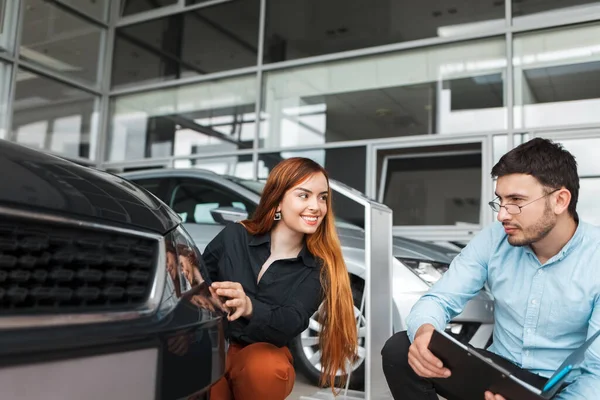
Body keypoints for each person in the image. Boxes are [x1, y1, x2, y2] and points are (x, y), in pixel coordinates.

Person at [381, 138, 600, 400]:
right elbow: (438, 299)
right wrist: (424, 332)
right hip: (498, 375)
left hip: (562, 389)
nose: (502, 215)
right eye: (500, 201)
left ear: (560, 200)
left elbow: (597, 372)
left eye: (516, 200)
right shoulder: (494, 240)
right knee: (401, 349)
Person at [204, 157, 358, 400]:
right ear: (277, 201)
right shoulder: (234, 236)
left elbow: (290, 321)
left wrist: (249, 306)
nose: (316, 207)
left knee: (265, 368)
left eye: (322, 197)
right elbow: (199, 282)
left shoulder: (319, 268)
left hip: (261, 355)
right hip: (212, 349)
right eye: (304, 195)